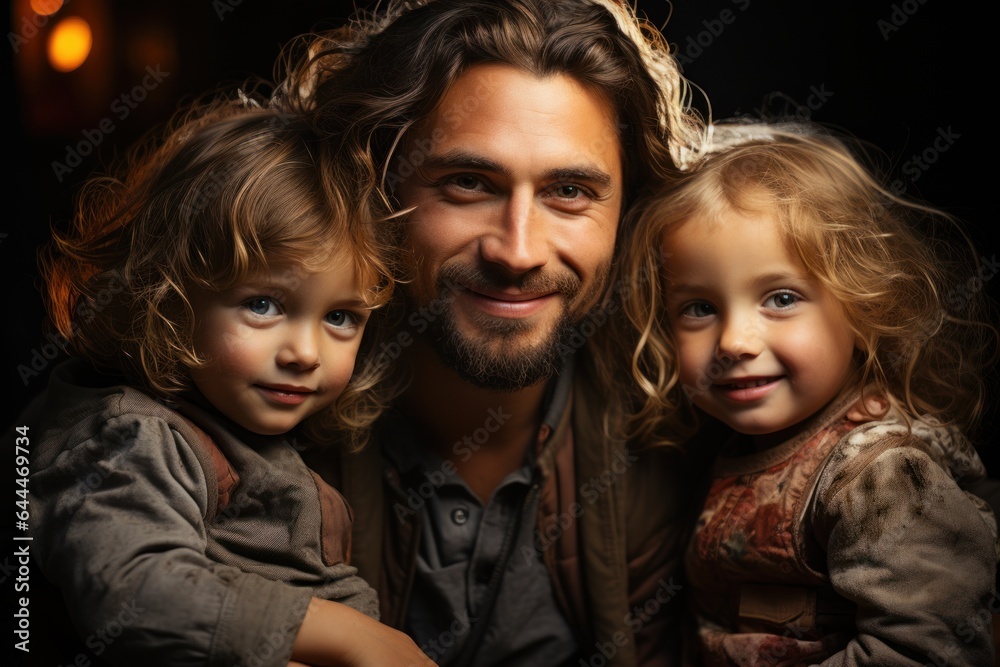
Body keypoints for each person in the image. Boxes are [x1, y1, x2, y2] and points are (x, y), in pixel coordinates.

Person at [273, 0, 709, 664]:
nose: (518, 250)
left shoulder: (693, 428)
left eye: (569, 191)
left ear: (630, 215)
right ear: (375, 186)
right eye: (468, 182)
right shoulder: (256, 408)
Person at [20, 92, 434, 666]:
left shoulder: (262, 445)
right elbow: (136, 590)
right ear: (169, 295)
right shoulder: (129, 435)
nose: (305, 353)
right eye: (263, 304)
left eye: (340, 317)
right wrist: (350, 635)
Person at [618, 120, 1000, 665]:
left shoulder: (882, 475)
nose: (734, 341)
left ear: (863, 305)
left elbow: (924, 652)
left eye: (780, 298)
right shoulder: (724, 449)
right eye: (699, 308)